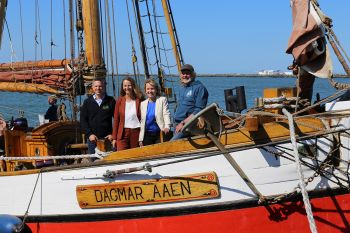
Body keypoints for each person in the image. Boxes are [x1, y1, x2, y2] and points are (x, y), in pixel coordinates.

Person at [171, 64, 208, 140]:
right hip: (177, 124)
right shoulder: (182, 88)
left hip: (188, 126)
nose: (185, 76)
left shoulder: (199, 88)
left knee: (171, 145)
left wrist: (183, 123)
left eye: (187, 73)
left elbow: (199, 110)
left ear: (193, 74)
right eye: (183, 73)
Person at [80, 78, 115, 155]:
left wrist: (113, 134)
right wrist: (89, 134)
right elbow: (83, 120)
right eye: (96, 86)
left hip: (107, 138)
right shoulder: (87, 102)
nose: (98, 88)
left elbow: (117, 119)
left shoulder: (111, 101)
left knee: (109, 161)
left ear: (104, 87)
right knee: (93, 161)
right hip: (93, 139)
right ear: (92, 88)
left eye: (100, 86)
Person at [112, 77, 143, 151]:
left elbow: (143, 118)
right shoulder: (120, 101)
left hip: (136, 132)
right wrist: (114, 138)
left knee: (135, 156)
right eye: (125, 86)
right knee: (121, 156)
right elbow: (116, 120)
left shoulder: (139, 100)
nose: (127, 88)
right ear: (122, 87)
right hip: (122, 133)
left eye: (129, 85)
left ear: (133, 86)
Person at [139, 79, 171, 146]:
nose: (150, 91)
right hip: (147, 134)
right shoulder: (143, 104)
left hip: (159, 132)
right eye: (148, 89)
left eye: (152, 89)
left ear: (156, 90)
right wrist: (140, 139)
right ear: (145, 90)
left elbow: (166, 114)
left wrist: (167, 126)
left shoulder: (162, 100)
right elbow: (142, 122)